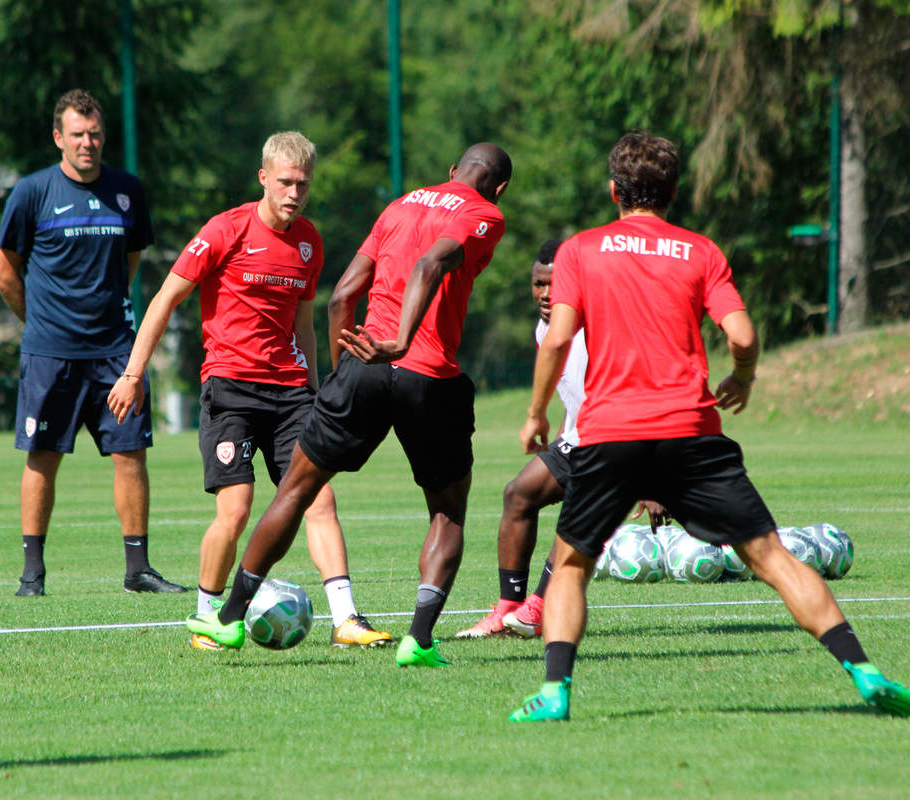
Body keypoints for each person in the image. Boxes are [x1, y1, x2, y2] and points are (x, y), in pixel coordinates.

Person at [510, 130, 910, 721]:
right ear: (673, 192)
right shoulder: (700, 251)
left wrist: (536, 411)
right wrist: (742, 376)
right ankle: (865, 671)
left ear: (614, 190)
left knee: (572, 564)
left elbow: (562, 336)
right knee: (772, 556)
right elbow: (743, 335)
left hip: (609, 434)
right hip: (691, 433)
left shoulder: (580, 251)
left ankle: (552, 696)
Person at [185, 143, 513, 667]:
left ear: (452, 171)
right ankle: (419, 640)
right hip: (425, 374)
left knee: (295, 489)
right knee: (448, 510)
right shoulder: (485, 212)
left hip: (362, 366)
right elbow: (433, 262)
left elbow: (341, 298)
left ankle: (228, 621)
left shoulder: (401, 205)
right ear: (498, 188)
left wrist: (344, 374)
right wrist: (404, 339)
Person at [108, 132, 391, 649]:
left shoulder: (310, 241)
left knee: (319, 499)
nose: (294, 192)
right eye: (285, 181)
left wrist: (318, 387)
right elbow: (165, 300)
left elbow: (303, 319)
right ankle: (207, 616)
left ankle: (346, 618)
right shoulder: (226, 230)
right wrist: (133, 373)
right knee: (236, 510)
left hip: (291, 395)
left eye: (303, 183)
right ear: (263, 177)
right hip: (231, 390)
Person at [0, 89, 185, 597]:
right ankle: (32, 575)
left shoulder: (127, 191)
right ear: (59, 137)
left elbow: (131, 262)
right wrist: (40, 322)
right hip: (49, 353)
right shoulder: (32, 192)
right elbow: (4, 273)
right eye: (77, 134)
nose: (87, 143)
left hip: (116, 352)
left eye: (95, 133)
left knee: (130, 455)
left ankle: (138, 570)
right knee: (42, 456)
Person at [456, 241, 666, 639]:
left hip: (619, 442)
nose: (546, 293)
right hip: (580, 437)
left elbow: (640, 391)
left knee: (577, 514)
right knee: (519, 494)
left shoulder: (603, 325)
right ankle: (508, 610)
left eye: (555, 283)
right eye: (538, 284)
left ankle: (540, 607)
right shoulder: (544, 328)